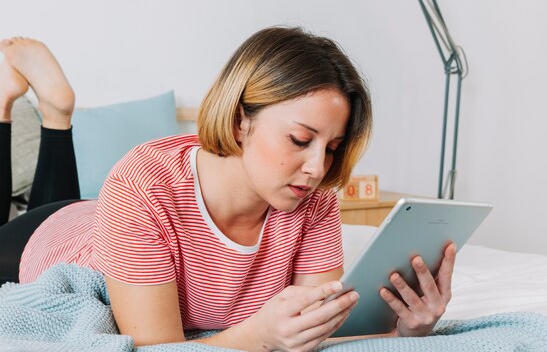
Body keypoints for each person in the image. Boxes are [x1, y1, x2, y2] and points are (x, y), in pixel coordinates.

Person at [0, 28, 456, 351]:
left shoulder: (311, 200)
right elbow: (160, 349)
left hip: (107, 218)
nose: (318, 167)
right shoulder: (142, 182)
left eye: (332, 148)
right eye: (299, 140)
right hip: (51, 235)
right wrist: (261, 337)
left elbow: (320, 332)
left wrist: (406, 332)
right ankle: (48, 113)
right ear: (240, 120)